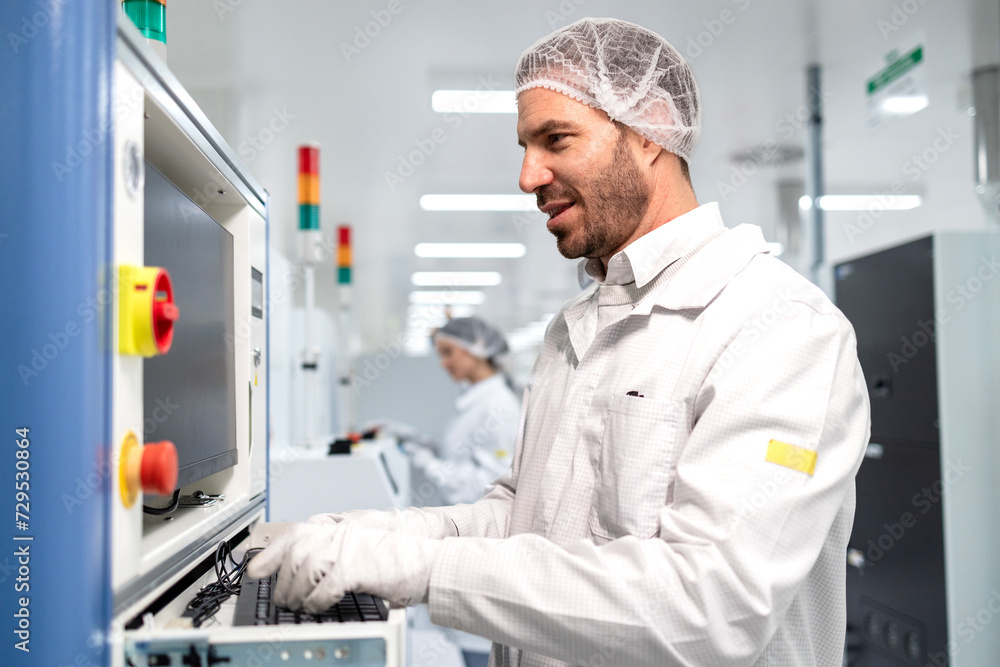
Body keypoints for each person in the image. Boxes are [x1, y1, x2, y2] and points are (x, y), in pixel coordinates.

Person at [249, 17, 870, 667]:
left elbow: (712, 607)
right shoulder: (574, 331)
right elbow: (525, 519)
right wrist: (371, 536)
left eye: (556, 139)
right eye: (525, 145)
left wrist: (426, 566)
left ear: (649, 129)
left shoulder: (778, 327)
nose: (527, 176)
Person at [403, 316, 522, 508]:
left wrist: (430, 465)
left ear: (478, 347)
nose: (443, 364)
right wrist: (420, 442)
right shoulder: (476, 399)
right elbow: (463, 454)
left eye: (448, 352)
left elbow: (487, 485)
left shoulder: (499, 407)